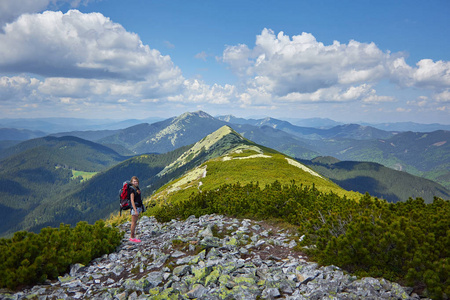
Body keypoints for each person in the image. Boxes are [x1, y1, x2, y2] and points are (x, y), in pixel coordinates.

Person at [129, 176, 144, 243]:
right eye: (134, 181)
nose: (136, 182)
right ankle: (132, 237)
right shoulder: (132, 190)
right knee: (133, 222)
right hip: (135, 208)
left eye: (136, 181)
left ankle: (133, 236)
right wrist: (135, 210)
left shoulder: (136, 189)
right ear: (131, 182)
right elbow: (132, 200)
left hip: (138, 207)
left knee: (134, 222)